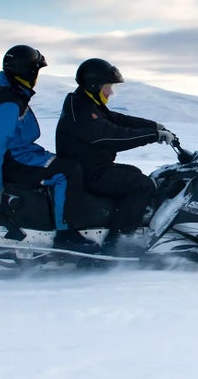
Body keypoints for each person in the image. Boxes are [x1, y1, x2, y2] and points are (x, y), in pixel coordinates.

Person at [0, 45, 99, 254]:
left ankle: (50, 215)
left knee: (65, 163)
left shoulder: (7, 93)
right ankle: (66, 235)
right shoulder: (8, 103)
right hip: (13, 161)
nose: (37, 76)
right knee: (68, 171)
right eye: (36, 71)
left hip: (16, 155)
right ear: (28, 72)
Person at [55, 58, 175, 250]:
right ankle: (116, 241)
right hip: (88, 172)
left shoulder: (86, 103)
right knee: (142, 186)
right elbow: (110, 136)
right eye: (108, 87)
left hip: (91, 166)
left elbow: (116, 119)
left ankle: (117, 220)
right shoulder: (82, 110)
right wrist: (153, 136)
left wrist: (152, 126)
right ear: (94, 85)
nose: (110, 92)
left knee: (135, 173)